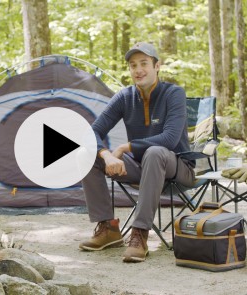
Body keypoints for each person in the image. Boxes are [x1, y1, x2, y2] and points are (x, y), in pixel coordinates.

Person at [79, 42, 196, 262]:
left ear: (157, 66)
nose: (138, 70)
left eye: (144, 63)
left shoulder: (174, 93)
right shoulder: (124, 97)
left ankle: (140, 233)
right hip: (142, 168)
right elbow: (91, 132)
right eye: (133, 65)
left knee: (154, 152)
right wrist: (106, 154)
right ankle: (108, 229)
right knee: (84, 155)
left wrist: (125, 147)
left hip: (179, 168)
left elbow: (170, 139)